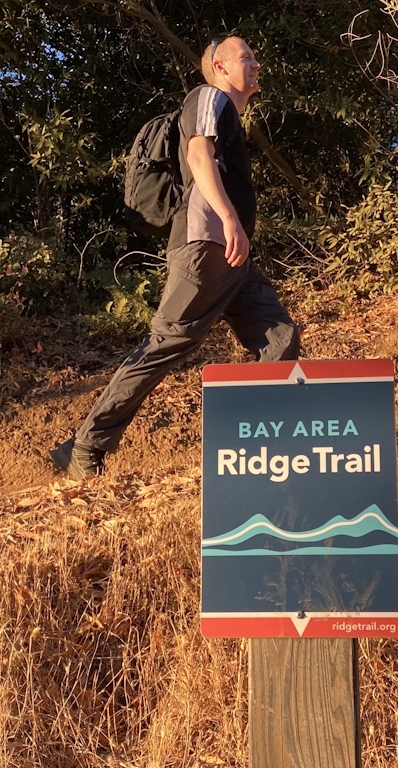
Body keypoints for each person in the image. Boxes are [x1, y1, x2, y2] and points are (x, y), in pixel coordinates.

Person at [51, 36, 300, 478]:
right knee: (164, 345)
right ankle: (85, 447)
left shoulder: (229, 115)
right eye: (246, 57)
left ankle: (259, 450)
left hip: (232, 257)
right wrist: (229, 218)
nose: (256, 63)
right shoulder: (209, 98)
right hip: (207, 245)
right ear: (220, 67)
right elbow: (197, 156)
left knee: (278, 337)